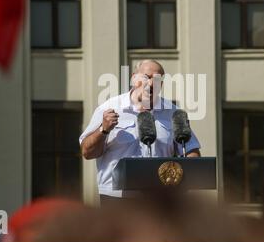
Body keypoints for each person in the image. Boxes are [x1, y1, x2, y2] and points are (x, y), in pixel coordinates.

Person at [79, 60, 201, 204]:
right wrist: (103, 130)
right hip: (117, 199)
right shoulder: (109, 108)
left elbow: (191, 150)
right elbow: (87, 152)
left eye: (156, 80)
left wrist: (186, 174)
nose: (150, 84)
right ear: (133, 78)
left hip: (160, 199)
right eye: (146, 77)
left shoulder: (173, 113)